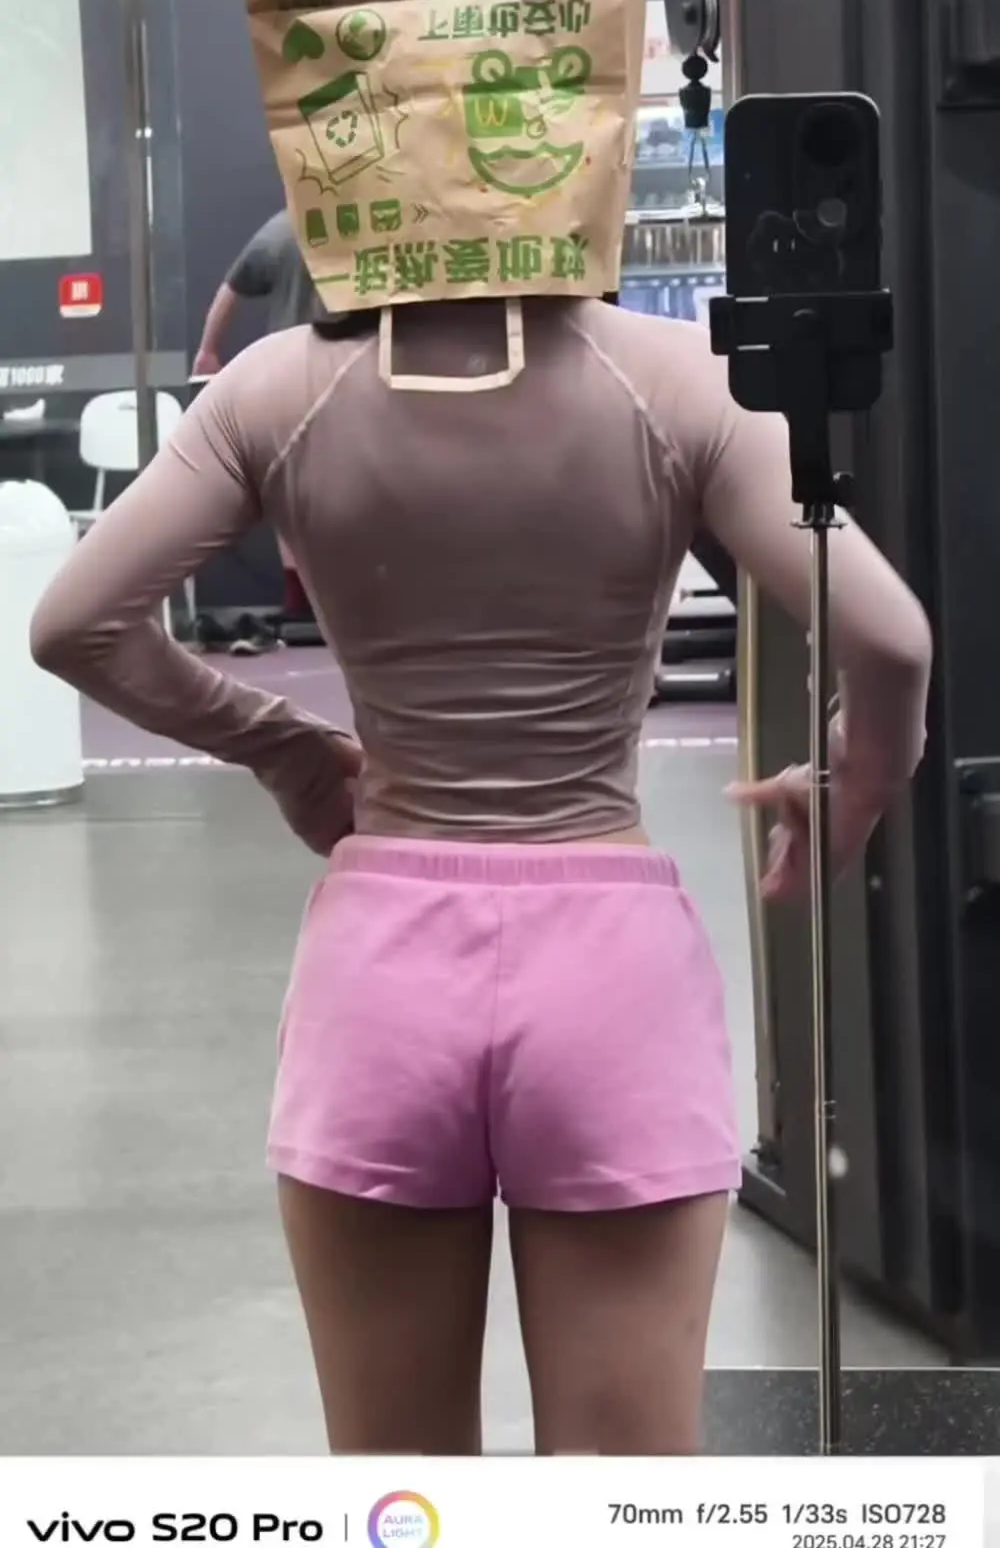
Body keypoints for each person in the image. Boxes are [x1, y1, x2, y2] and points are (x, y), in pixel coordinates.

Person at [29, 291, 931, 1457]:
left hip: (383, 970)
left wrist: (283, 745)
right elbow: (890, 640)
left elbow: (78, 624)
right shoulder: (677, 378)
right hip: (608, 971)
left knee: (402, 1493)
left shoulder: (276, 387)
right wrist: (853, 779)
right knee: (619, 1496)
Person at [193, 208, 323, 625]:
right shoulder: (371, 220)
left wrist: (209, 349)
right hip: (350, 370)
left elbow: (230, 290)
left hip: (289, 374)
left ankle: (301, 600)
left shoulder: (284, 227)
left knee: (286, 491)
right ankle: (323, 599)